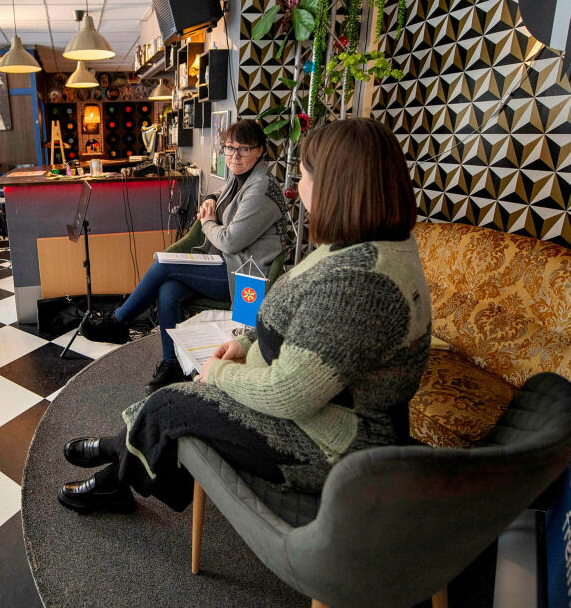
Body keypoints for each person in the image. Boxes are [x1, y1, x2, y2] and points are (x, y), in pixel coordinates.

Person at [57, 117, 431, 514]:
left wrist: (219, 372)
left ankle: (117, 470)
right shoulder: (358, 249)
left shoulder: (359, 284)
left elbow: (286, 393)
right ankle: (122, 457)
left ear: (337, 186)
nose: (297, 189)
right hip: (317, 413)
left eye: (303, 176)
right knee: (179, 390)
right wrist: (247, 342)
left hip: (329, 445)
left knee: (174, 403)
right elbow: (295, 314)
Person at [81, 119, 289, 393]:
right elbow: (222, 194)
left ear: (260, 150)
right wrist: (211, 198)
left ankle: (119, 321)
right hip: (229, 265)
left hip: (247, 276)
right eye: (229, 148)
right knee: (168, 288)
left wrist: (207, 223)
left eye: (244, 149)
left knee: (163, 266)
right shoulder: (241, 178)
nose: (234, 156)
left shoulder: (261, 188)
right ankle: (172, 365)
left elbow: (230, 240)